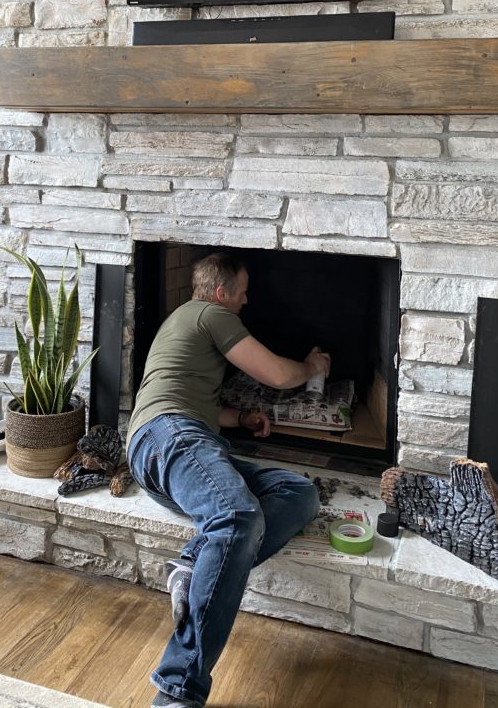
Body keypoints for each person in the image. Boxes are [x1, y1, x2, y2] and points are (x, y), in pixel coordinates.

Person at [127, 252, 331, 708]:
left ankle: (193, 562)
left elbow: (193, 401)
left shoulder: (184, 322)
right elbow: (278, 374)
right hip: (168, 436)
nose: (246, 299)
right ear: (221, 293)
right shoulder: (211, 313)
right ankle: (178, 689)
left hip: (175, 442)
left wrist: (239, 416)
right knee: (238, 517)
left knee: (298, 493)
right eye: (242, 291)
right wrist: (313, 368)